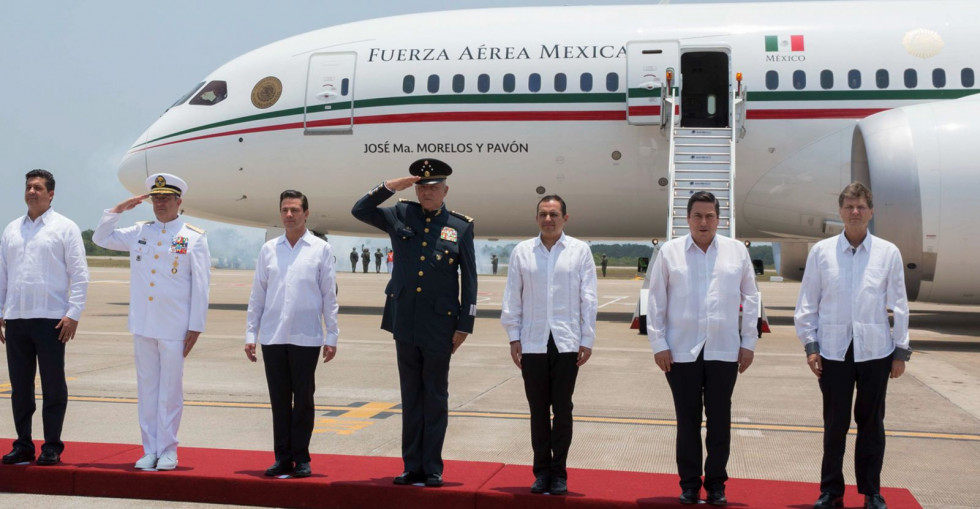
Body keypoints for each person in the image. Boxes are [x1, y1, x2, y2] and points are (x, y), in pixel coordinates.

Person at [351, 158, 477, 488]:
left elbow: (471, 279)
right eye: (422, 187)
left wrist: (465, 324)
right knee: (411, 396)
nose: (427, 193)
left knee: (435, 396)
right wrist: (391, 186)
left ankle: (432, 467)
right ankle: (411, 466)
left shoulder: (459, 226)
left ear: (445, 190)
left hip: (440, 325)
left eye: (433, 188)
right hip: (405, 320)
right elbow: (360, 210)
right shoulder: (400, 214)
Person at [794, 182, 910, 509]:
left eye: (860, 206)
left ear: (871, 212)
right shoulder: (821, 253)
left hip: (875, 351)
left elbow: (898, 304)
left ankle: (871, 492)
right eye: (849, 207)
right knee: (835, 425)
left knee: (871, 425)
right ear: (840, 212)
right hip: (833, 350)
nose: (855, 212)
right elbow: (807, 304)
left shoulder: (888, 253)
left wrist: (900, 350)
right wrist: (810, 345)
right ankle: (831, 491)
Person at [647, 191, 760, 506]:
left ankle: (716, 485)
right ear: (687, 218)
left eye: (710, 216)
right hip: (681, 351)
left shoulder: (736, 252)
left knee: (720, 420)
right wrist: (659, 344)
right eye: (697, 215)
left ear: (719, 219)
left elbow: (751, 299)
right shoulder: (670, 253)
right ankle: (689, 484)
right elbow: (655, 301)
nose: (704, 222)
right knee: (687, 420)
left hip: (724, 350)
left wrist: (748, 342)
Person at [92, 173, 211, 471]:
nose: (160, 204)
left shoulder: (193, 236)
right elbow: (101, 238)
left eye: (166, 198)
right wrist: (118, 210)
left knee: (170, 390)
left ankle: (168, 449)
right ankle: (150, 449)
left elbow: (201, 285)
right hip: (143, 323)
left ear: (178, 202)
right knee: (147, 390)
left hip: (175, 326)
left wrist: (196, 325)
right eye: (156, 198)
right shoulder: (139, 231)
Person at [500, 195, 597, 495]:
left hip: (567, 342)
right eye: (543, 214)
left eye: (554, 214)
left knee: (563, 409)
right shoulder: (523, 252)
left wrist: (587, 338)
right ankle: (541, 471)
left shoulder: (580, 251)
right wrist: (513, 336)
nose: (548, 220)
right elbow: (512, 297)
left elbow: (589, 298)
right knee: (538, 410)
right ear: (537, 218)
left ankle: (560, 473)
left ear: (565, 218)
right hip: (532, 341)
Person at [245, 190, 339, 479]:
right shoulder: (269, 250)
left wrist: (331, 335)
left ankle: (302, 458)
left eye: (295, 210)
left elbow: (329, 296)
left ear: (306, 213)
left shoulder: (320, 249)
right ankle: (282, 458)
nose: (289, 215)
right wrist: (251, 333)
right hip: (273, 337)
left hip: (306, 337)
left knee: (304, 400)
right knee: (279, 401)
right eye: (285, 209)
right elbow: (257, 295)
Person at [0, 169, 89, 467]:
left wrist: (73, 313)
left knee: (53, 386)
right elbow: (3, 275)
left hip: (52, 320)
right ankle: (23, 444)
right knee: (20, 388)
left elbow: (79, 274)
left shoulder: (65, 228)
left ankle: (51, 446)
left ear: (51, 193)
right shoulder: (12, 229)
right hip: (17, 319)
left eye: (38, 187)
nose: (32, 192)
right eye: (28, 187)